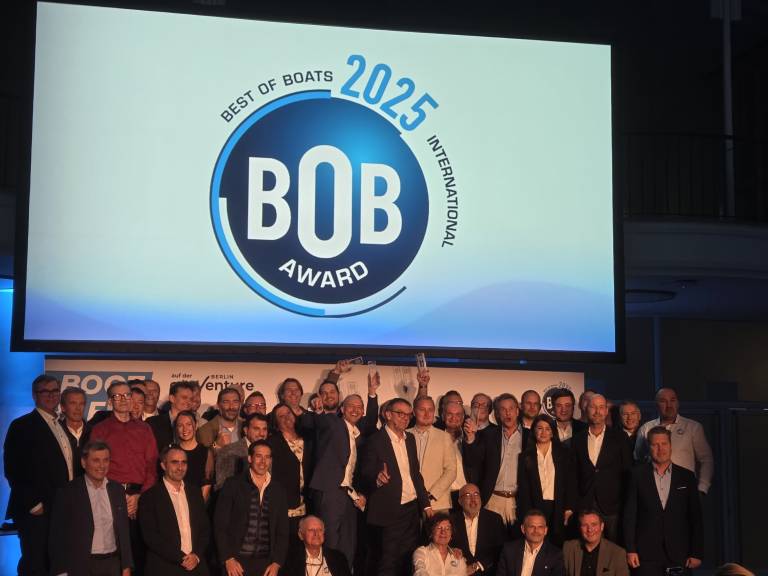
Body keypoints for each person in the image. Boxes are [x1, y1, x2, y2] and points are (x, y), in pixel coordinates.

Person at [300, 366, 380, 569]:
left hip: (349, 494)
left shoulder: (358, 432)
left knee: (348, 544)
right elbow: (313, 421)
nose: (355, 409)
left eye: (359, 407)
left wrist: (372, 393)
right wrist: (317, 409)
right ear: (342, 410)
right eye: (350, 406)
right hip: (330, 490)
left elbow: (371, 422)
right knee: (330, 542)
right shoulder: (332, 423)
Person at [4, 375, 74, 576]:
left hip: (60, 506)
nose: (51, 395)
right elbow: (13, 468)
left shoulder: (61, 424)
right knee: (36, 564)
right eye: (45, 391)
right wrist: (32, 503)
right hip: (37, 510)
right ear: (35, 395)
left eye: (55, 391)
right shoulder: (22, 425)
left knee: (57, 563)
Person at [90, 381, 159, 575]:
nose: (123, 400)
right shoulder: (100, 430)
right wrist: (119, 495)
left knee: (141, 552)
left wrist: (139, 496)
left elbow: (152, 466)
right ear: (110, 401)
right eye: (117, 396)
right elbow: (95, 467)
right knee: (115, 552)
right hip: (110, 495)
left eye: (127, 395)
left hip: (141, 495)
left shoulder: (144, 429)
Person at [360, 398, 431, 576]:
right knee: (388, 561)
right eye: (400, 414)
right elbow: (365, 474)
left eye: (408, 415)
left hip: (411, 509)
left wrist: (425, 504)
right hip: (388, 510)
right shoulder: (375, 441)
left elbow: (415, 474)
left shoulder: (410, 439)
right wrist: (377, 479)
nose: (405, 418)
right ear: (388, 415)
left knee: (409, 559)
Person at [624, 427, 703, 576]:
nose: (660, 449)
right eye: (655, 445)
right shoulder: (636, 475)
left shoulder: (687, 476)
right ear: (649, 447)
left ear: (670, 446)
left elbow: (695, 517)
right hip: (645, 554)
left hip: (680, 553)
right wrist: (630, 549)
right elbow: (630, 516)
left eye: (664, 444)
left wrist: (696, 552)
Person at [49, 440, 132, 576]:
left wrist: (126, 565)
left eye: (106, 460)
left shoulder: (117, 490)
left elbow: (124, 531)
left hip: (113, 564)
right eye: (96, 460)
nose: (102, 465)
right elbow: (57, 535)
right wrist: (60, 571)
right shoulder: (68, 492)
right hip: (81, 565)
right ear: (83, 463)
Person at [214, 440, 288, 576]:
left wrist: (277, 563)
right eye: (259, 456)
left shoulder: (279, 490)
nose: (263, 461)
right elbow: (220, 525)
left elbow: (282, 531)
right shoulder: (233, 485)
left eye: (267, 457)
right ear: (250, 458)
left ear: (271, 460)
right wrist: (228, 558)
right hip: (236, 563)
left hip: (267, 565)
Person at [139, 445, 210, 575]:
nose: (180, 467)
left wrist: (196, 556)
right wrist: (181, 558)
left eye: (184, 462)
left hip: (196, 567)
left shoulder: (195, 493)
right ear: (163, 465)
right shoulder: (149, 497)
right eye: (174, 462)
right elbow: (150, 536)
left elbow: (205, 529)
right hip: (165, 568)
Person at [570, 394, 631, 542]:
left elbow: (627, 472)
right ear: (586, 409)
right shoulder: (577, 440)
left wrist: (625, 504)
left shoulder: (620, 438)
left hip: (612, 506)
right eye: (593, 407)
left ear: (606, 411)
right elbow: (572, 475)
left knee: (614, 548)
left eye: (601, 407)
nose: (597, 411)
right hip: (585, 504)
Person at [464, 393, 528, 529]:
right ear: (498, 414)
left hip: (519, 501)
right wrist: (471, 438)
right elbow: (473, 462)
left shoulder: (530, 437)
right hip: (493, 500)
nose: (507, 413)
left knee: (517, 541)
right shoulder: (488, 435)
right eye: (503, 409)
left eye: (511, 408)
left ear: (517, 411)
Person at [634, 388, 714, 494]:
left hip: (684, 489)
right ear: (656, 405)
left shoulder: (693, 427)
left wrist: (702, 488)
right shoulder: (646, 428)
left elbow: (706, 459)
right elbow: (638, 458)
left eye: (672, 400)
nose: (669, 405)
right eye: (663, 401)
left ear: (678, 403)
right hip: (653, 490)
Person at [517, 416, 574, 545]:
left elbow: (570, 483)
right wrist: (527, 514)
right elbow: (524, 490)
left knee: (557, 543)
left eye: (547, 429)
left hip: (558, 506)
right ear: (534, 431)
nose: (543, 432)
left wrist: (569, 508)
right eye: (540, 428)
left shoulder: (564, 453)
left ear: (553, 432)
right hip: (535, 507)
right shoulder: (525, 456)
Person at [267, 403, 313, 542]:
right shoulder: (272, 443)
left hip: (309, 504)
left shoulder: (309, 439)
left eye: (288, 413)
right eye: (281, 416)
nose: (287, 417)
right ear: (276, 423)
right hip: (285, 507)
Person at [408, 396, 457, 512]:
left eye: (430, 410)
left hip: (437, 503)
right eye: (422, 409)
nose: (426, 414)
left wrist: (432, 494)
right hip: (409, 502)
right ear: (414, 412)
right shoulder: (404, 435)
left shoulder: (444, 437)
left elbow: (451, 471)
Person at [450, 483, 505, 576]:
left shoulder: (494, 519)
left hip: (488, 572)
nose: (473, 499)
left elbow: (500, 549)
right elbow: (447, 547)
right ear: (460, 501)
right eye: (468, 495)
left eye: (476, 494)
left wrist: (477, 566)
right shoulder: (451, 520)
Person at [497, 510, 564, 576]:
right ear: (523, 529)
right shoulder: (509, 550)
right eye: (532, 526)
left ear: (545, 530)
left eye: (540, 527)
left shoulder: (555, 555)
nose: (536, 531)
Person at [563, 510, 628, 576]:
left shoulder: (617, 553)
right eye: (585, 525)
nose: (589, 530)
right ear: (580, 528)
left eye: (594, 524)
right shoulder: (568, 548)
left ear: (602, 526)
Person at [281, 515, 351, 576]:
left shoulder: (338, 558)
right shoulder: (290, 560)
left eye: (320, 530)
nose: (316, 534)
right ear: (301, 535)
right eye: (311, 530)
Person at [215, 412, 269, 490]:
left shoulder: (269, 451)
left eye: (264, 429)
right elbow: (222, 486)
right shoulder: (229, 451)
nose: (262, 434)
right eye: (256, 429)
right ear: (246, 430)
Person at [174, 411, 214, 502]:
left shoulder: (205, 452)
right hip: (175, 501)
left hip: (198, 502)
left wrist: (197, 506)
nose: (185, 429)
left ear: (196, 426)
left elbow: (207, 484)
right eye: (180, 425)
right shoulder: (172, 452)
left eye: (188, 424)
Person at [147, 381, 196, 452]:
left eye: (191, 399)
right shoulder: (153, 423)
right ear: (172, 398)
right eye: (184, 397)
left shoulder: (195, 423)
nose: (188, 402)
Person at [60, 386, 87, 477]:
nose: (78, 408)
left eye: (81, 403)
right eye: (73, 403)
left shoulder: (95, 433)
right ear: (63, 407)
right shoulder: (55, 433)